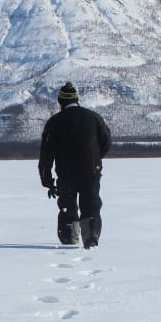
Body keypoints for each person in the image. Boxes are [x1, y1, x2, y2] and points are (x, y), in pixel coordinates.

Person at [38, 82, 112, 248]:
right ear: (77, 99)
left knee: (67, 206)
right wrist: (95, 160)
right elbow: (106, 141)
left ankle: (69, 242)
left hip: (66, 173)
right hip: (90, 172)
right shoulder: (93, 118)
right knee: (90, 204)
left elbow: (46, 154)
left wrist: (47, 179)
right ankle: (91, 239)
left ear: (60, 101)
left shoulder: (54, 123)